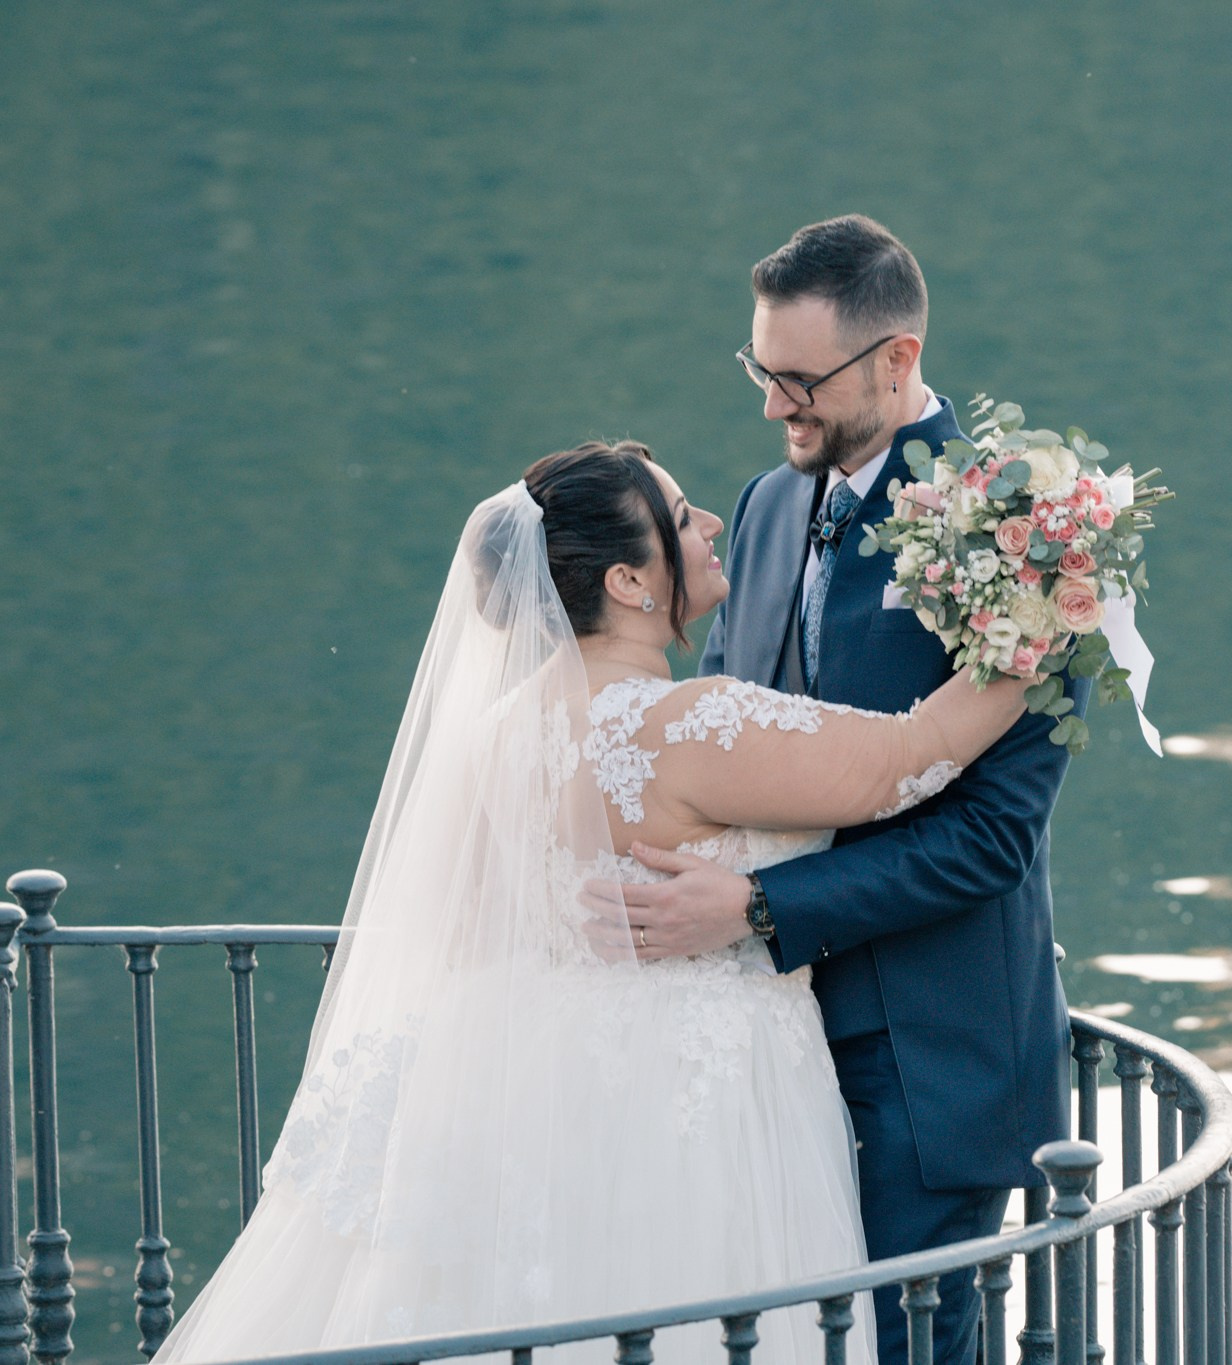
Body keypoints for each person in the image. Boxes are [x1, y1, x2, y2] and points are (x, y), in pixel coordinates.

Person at [151, 440, 1030, 1365]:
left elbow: (476, 939)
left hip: (545, 1106)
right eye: (683, 515)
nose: (711, 525)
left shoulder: (496, 734)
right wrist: (1052, 609)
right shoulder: (685, 727)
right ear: (627, 580)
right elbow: (909, 756)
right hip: (703, 1115)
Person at [613, 216, 1090, 1365]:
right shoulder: (767, 507)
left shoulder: (1026, 537)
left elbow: (991, 839)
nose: (775, 405)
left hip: (926, 1050)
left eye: (798, 381)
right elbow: (732, 743)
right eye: (760, 371)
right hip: (760, 1052)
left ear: (897, 360)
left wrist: (762, 911)